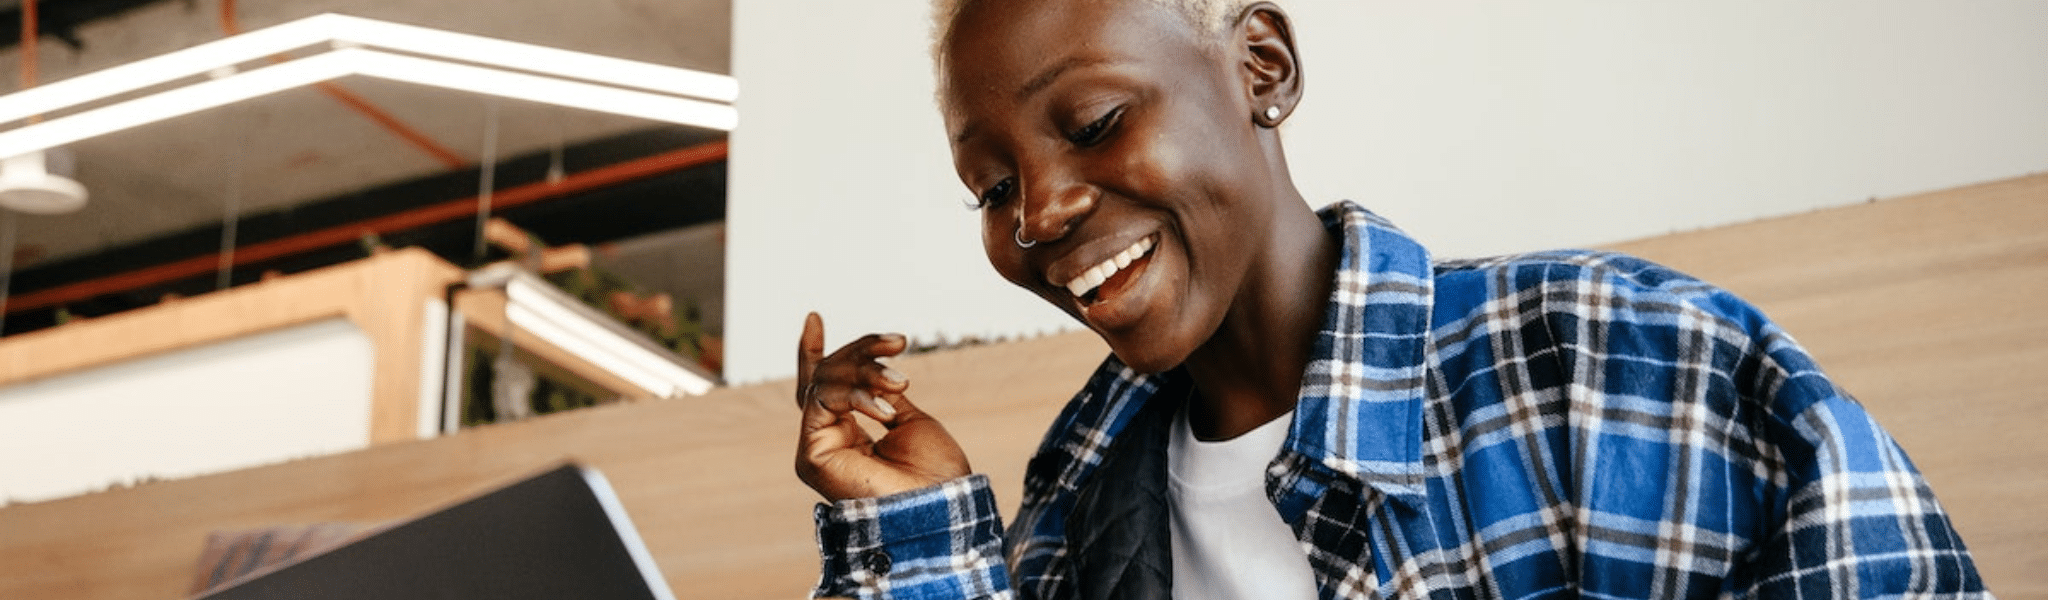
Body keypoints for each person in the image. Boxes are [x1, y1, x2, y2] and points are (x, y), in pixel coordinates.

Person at [791, 0, 1988, 598]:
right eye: (991, 186)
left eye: (1094, 123)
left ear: (1260, 67)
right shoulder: (1065, 520)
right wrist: (918, 536)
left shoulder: (1631, 369)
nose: (1038, 210)